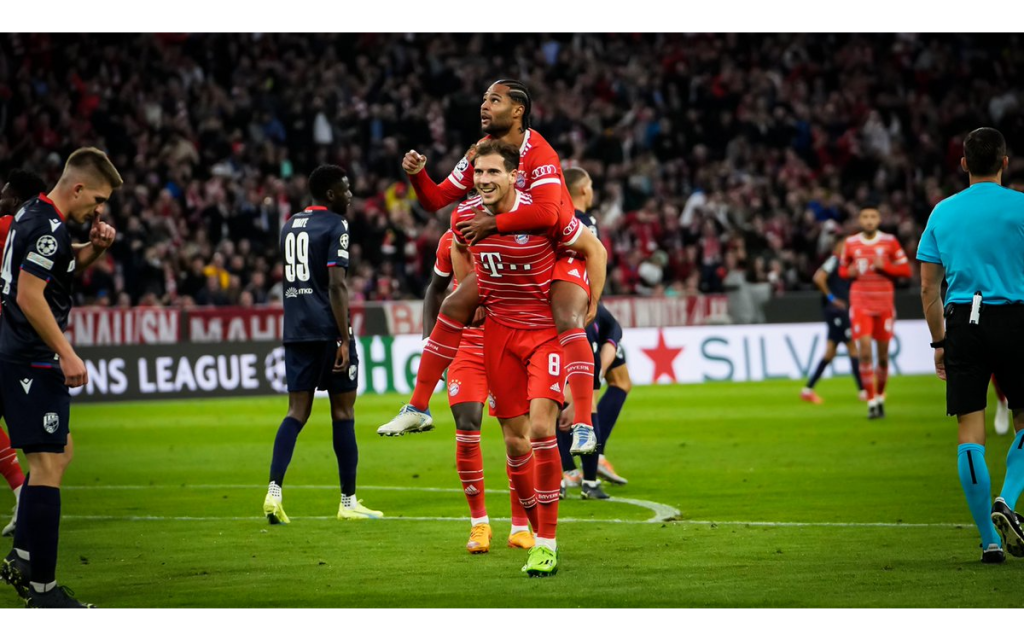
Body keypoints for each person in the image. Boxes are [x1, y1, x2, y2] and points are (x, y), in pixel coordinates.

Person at [378, 80, 608, 457]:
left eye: (494, 100)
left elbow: (550, 215)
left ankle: (583, 424)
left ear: (518, 111)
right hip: (513, 255)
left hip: (559, 247)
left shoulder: (539, 153)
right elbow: (437, 200)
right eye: (484, 99)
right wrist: (418, 175)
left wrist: (594, 300)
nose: (484, 106)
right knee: (453, 305)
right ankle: (417, 407)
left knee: (568, 318)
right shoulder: (486, 157)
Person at [451, 141, 604, 577]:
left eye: (493, 172)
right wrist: (472, 293)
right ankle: (533, 530)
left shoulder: (544, 215)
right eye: (478, 172)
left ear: (514, 176)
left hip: (543, 337)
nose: (483, 180)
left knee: (540, 430)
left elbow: (596, 250)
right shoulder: (464, 218)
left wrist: (591, 303)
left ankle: (548, 545)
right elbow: (458, 253)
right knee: (515, 443)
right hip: (499, 339)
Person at [0, 148, 122, 609]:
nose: (100, 208)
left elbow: (52, 267)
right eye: (99, 198)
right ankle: (44, 593)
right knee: (48, 465)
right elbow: (31, 296)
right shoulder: (49, 225)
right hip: (31, 359)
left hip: (13, 352)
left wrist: (94, 249)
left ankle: (26, 558)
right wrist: (66, 352)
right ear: (77, 188)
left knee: (60, 452)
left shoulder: (33, 212)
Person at [918, 127, 1024, 564]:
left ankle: (989, 541)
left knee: (970, 430)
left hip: (963, 319)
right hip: (1016, 316)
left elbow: (928, 289)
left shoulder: (941, 212)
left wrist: (939, 342)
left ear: (963, 165)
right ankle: (1008, 499)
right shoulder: (1021, 206)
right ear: (1005, 162)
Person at [262, 165, 382, 526]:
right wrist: (344, 335)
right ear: (330, 194)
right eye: (345, 190)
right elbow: (336, 284)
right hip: (328, 330)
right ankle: (348, 501)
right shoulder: (335, 225)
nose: (350, 195)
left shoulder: (290, 225)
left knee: (295, 412)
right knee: (343, 413)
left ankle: (274, 491)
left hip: (295, 330)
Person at [425, 230, 534, 553]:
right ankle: (479, 524)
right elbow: (435, 290)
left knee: (517, 436)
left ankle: (519, 527)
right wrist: (430, 343)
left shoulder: (518, 232)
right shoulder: (451, 239)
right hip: (466, 347)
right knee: (468, 424)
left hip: (509, 343)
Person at [0, 170, 47, 538]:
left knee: (48, 448)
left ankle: (25, 494)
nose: (1, 201)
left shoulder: (10, 225)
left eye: (5, 196)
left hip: (8, 341)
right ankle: (23, 493)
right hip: (19, 340)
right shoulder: (40, 227)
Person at [841, 208, 911, 419]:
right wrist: (849, 273)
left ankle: (880, 396)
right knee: (863, 351)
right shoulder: (851, 243)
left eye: (873, 217)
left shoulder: (889, 242)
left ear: (879, 219)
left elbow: (906, 270)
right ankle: (871, 402)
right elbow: (843, 270)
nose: (869, 221)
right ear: (859, 220)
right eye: (865, 217)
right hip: (861, 302)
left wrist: (887, 267)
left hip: (884, 304)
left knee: (882, 357)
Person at [801, 238, 865, 405]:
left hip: (838, 311)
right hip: (836, 311)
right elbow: (818, 278)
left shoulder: (843, 263)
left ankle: (808, 390)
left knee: (830, 352)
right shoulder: (834, 260)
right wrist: (831, 298)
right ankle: (863, 391)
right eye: (846, 244)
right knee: (852, 347)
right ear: (838, 245)